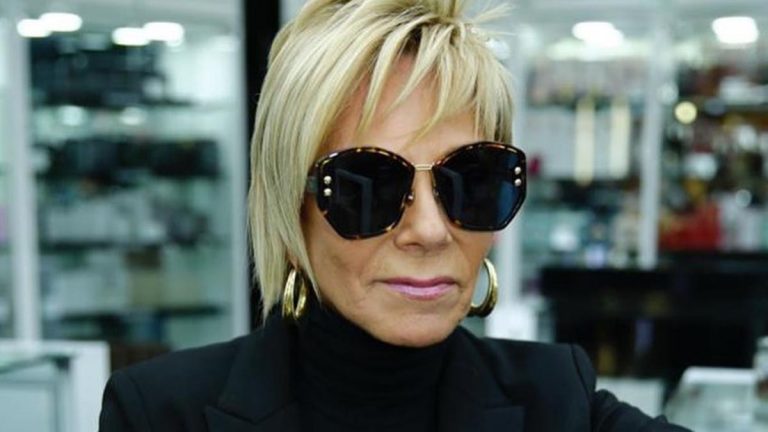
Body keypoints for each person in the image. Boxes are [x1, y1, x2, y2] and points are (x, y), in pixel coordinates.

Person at [99, 0, 691, 431]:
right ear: (290, 204)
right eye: (369, 187)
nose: (430, 231)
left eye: (473, 180)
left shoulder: (556, 401)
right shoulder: (162, 413)